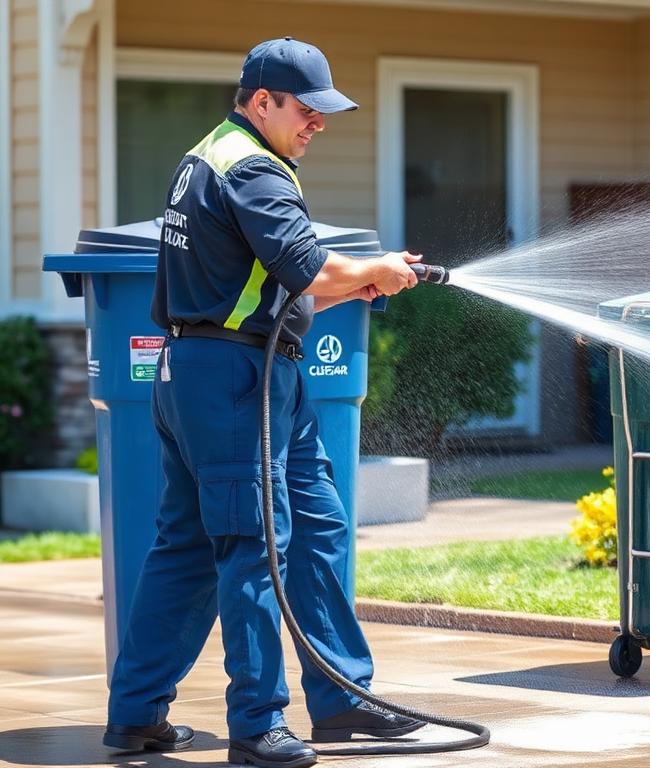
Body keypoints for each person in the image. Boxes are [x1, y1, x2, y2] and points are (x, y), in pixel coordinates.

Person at [102, 38, 424, 768]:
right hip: (234, 382)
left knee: (295, 526)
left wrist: (362, 278)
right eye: (306, 109)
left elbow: (280, 279)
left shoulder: (210, 157)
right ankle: (257, 726)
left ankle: (331, 695)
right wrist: (367, 269)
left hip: (217, 374)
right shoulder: (252, 169)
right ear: (261, 101)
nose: (318, 122)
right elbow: (306, 266)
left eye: (324, 112)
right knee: (256, 546)